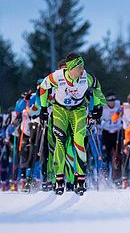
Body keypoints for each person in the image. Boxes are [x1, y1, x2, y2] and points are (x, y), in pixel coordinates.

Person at [38, 53, 106, 195]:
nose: (82, 69)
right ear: (71, 68)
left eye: (83, 66)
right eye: (79, 67)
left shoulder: (85, 77)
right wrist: (43, 108)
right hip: (60, 110)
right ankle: (59, 178)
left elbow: (97, 87)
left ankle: (80, 178)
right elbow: (43, 87)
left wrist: (98, 107)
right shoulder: (57, 76)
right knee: (60, 142)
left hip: (78, 110)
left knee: (79, 141)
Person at [100, 93, 123, 187]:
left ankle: (118, 178)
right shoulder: (103, 107)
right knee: (106, 156)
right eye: (110, 101)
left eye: (113, 101)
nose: (112, 103)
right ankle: (106, 177)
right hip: (106, 133)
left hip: (117, 132)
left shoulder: (119, 105)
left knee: (118, 156)